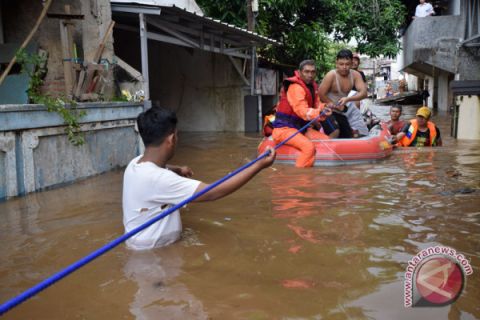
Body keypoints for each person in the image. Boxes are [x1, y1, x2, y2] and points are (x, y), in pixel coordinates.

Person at [122, 107, 276, 250]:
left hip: (141, 247)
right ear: (171, 139)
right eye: (177, 135)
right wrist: (259, 165)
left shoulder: (135, 164)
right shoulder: (161, 180)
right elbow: (212, 192)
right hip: (157, 255)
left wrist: (177, 169)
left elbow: (159, 170)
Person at [271, 60, 332, 168]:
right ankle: (300, 180)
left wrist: (325, 108)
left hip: (300, 128)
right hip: (284, 129)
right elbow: (302, 111)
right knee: (309, 147)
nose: (310, 75)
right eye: (306, 72)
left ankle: (309, 166)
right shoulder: (295, 87)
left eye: (313, 72)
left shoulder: (312, 87)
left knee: (326, 141)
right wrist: (319, 112)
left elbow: (317, 105)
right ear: (299, 72)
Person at [318, 49, 368, 138]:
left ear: (352, 63)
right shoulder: (331, 75)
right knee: (335, 131)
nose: (344, 67)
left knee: (348, 136)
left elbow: (364, 93)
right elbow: (321, 94)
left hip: (341, 110)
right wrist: (332, 104)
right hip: (327, 110)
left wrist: (348, 99)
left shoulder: (356, 75)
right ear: (336, 63)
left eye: (347, 64)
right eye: (341, 64)